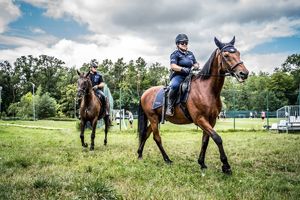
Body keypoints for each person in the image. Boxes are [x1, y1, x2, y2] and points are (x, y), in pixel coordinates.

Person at [166, 33, 200, 116]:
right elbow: (173, 66)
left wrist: (196, 65)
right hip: (179, 76)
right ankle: (169, 107)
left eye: (186, 43)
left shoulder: (190, 54)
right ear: (177, 44)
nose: (184, 44)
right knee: (174, 86)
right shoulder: (175, 54)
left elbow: (196, 63)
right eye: (182, 43)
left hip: (190, 76)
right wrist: (182, 69)